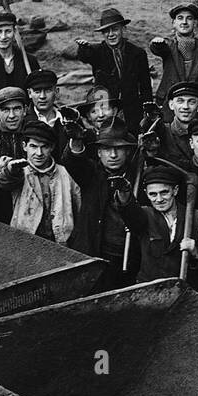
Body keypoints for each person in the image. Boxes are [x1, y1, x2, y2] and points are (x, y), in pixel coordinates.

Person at [62, 116, 139, 288]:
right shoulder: (91, 174)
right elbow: (73, 161)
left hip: (127, 258)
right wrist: (76, 141)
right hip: (93, 253)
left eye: (118, 149)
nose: (113, 155)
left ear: (127, 152)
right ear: (98, 152)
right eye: (106, 149)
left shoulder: (138, 177)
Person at [118, 160, 198, 284]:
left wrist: (195, 251)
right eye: (153, 194)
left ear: (175, 190)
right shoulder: (145, 215)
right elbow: (131, 214)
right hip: (151, 290)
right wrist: (124, 196)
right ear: (146, 194)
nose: (159, 199)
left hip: (186, 292)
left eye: (164, 192)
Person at [62, 7, 153, 130]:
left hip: (132, 111)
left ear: (123, 29)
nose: (110, 34)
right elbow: (85, 56)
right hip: (105, 109)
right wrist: (83, 48)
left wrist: (147, 113)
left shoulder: (137, 53)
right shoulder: (97, 51)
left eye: (115, 29)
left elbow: (145, 86)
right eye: (106, 31)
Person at [0, 120, 80, 244]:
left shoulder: (65, 173)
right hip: (25, 242)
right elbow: (4, 180)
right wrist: (9, 170)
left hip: (61, 243)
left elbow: (79, 207)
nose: (39, 153)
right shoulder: (19, 171)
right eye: (33, 146)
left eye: (44, 147)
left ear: (52, 147)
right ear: (24, 146)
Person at [151, 3, 198, 109]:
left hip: (197, 105)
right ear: (174, 23)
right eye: (180, 18)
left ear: (195, 23)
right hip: (170, 103)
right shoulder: (168, 45)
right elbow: (158, 49)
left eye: (189, 18)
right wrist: (156, 43)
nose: (184, 22)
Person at [0, 85, 30, 161]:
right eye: (5, 110)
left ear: (25, 110)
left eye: (16, 109)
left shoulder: (33, 133)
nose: (12, 115)